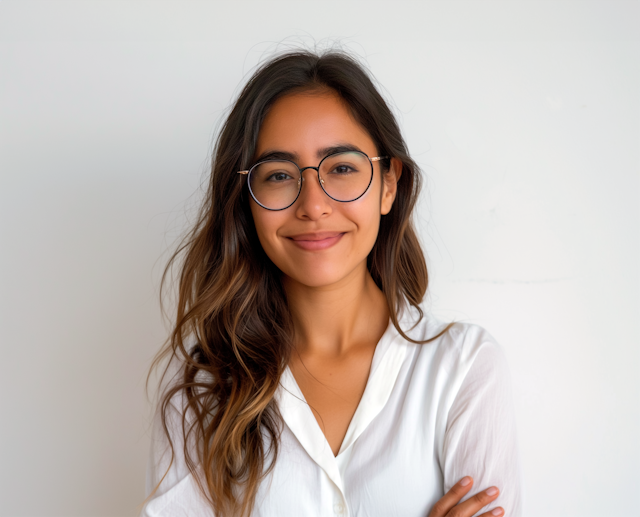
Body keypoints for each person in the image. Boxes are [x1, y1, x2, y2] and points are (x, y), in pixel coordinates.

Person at [141, 50, 522, 517]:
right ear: (246, 202)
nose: (313, 206)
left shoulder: (464, 369)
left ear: (388, 184)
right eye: (279, 175)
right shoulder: (200, 395)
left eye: (341, 168)